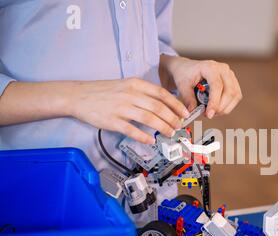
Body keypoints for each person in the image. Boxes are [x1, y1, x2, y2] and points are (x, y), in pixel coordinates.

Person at [0, 0, 242, 175]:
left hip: (147, 192)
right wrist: (75, 97)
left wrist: (174, 66)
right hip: (38, 192)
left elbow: (146, 44)